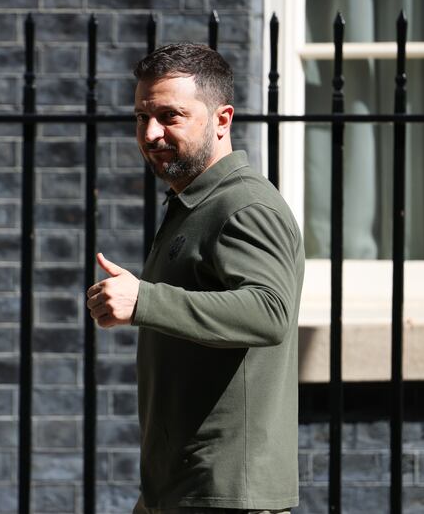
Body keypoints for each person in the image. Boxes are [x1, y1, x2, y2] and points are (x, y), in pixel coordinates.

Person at [85, 43, 304, 514]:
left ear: (222, 119)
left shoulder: (244, 206)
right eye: (141, 116)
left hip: (225, 494)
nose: (150, 133)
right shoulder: (194, 204)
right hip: (178, 490)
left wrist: (145, 300)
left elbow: (270, 313)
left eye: (170, 116)